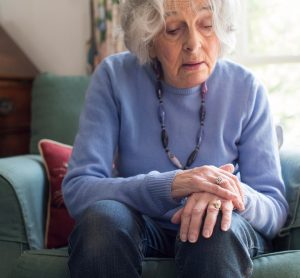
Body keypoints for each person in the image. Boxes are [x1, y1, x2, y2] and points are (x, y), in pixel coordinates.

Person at [62, 0, 288, 277]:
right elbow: (79, 189)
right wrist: (171, 185)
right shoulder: (114, 78)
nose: (193, 43)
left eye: (207, 25)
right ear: (149, 38)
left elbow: (274, 209)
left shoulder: (246, 88)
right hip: (141, 226)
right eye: (172, 29)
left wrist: (224, 191)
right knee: (101, 222)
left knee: (214, 223)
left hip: (220, 232)